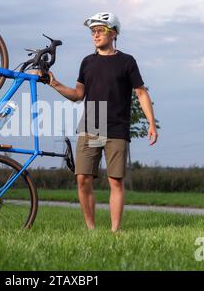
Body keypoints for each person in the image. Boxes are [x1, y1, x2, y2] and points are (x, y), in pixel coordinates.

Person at [35, 12, 158, 232]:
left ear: (113, 33)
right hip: (92, 126)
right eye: (93, 31)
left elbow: (140, 92)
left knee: (115, 181)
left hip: (117, 128)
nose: (95, 35)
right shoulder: (87, 62)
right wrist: (55, 84)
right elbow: (77, 94)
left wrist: (151, 123)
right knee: (82, 178)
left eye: (100, 30)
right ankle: (91, 230)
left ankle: (114, 232)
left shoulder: (127, 61)